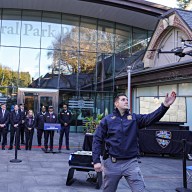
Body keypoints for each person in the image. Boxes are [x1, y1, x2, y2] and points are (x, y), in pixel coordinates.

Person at [92, 91, 176, 192]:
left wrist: (165, 106)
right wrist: (96, 161)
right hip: (112, 164)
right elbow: (97, 140)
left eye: (127, 99)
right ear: (116, 104)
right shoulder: (107, 120)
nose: (126, 101)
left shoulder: (134, 118)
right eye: (123, 100)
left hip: (131, 163)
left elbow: (151, 118)